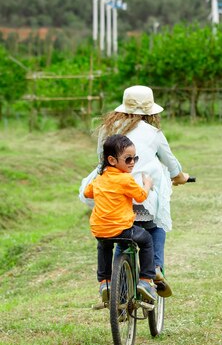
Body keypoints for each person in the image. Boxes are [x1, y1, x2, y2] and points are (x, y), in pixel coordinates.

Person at [81, 85, 189, 297]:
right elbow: (171, 164)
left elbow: (100, 162)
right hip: (140, 194)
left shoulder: (106, 130)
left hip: (109, 193)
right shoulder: (153, 133)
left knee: (120, 236)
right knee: (156, 226)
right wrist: (180, 177)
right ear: (151, 111)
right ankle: (152, 272)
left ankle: (116, 291)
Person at [84, 134, 157, 303]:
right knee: (146, 240)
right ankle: (146, 281)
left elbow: (88, 193)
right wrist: (147, 184)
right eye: (128, 159)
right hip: (122, 228)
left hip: (99, 228)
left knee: (104, 246)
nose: (132, 162)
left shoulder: (99, 178)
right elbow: (140, 197)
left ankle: (105, 282)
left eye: (135, 158)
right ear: (112, 160)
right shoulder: (125, 179)